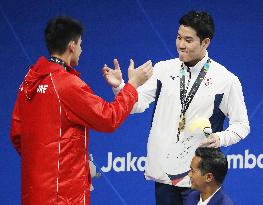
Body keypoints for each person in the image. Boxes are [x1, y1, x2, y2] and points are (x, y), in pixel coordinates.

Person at [103, 10, 250, 205]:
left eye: (188, 40)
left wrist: (219, 138)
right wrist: (121, 86)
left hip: (198, 178)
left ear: (205, 42)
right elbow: (135, 105)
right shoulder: (163, 69)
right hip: (164, 175)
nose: (181, 45)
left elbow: (242, 126)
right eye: (179, 37)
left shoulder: (226, 80)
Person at [10, 16, 153, 205]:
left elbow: (17, 134)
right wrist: (132, 85)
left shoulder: (29, 82)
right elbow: (108, 118)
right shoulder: (67, 85)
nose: (81, 50)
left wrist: (44, 167)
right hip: (63, 196)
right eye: (80, 44)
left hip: (35, 192)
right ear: (71, 46)